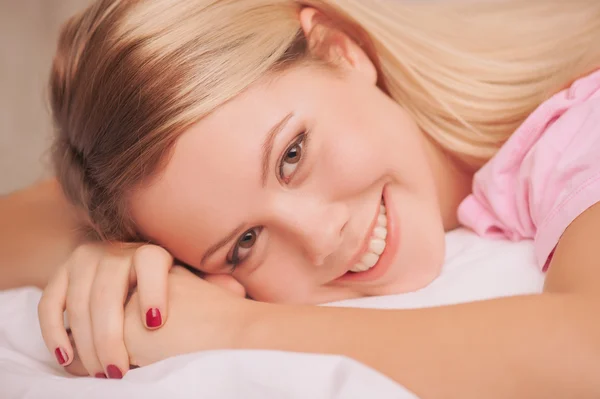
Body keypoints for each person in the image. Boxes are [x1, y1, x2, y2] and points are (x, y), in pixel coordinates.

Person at [2, 0, 600, 396]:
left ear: (342, 50)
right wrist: (114, 258)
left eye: (292, 154)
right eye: (244, 243)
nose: (319, 239)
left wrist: (235, 329)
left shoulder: (581, 124)